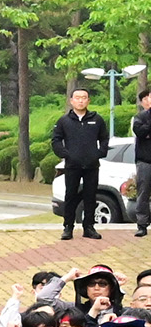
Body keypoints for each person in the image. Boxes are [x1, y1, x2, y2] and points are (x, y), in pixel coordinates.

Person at [54, 85, 114, 241]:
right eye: (77, 98)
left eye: (84, 98)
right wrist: (65, 154)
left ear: (88, 100)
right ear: (71, 101)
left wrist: (99, 153)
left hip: (91, 165)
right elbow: (56, 140)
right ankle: (68, 227)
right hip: (72, 165)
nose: (80, 101)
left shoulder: (97, 119)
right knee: (70, 196)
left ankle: (89, 227)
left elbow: (104, 139)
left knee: (90, 196)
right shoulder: (64, 121)